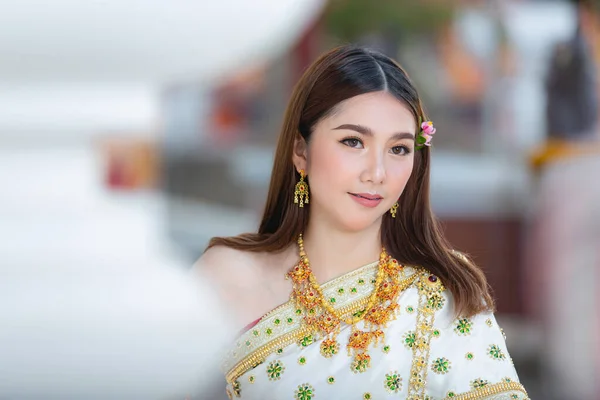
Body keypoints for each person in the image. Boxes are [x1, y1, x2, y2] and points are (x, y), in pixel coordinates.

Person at [195, 45, 528, 400]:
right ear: (301, 152)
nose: (377, 173)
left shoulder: (445, 295)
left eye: (398, 149)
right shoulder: (225, 276)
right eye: (353, 142)